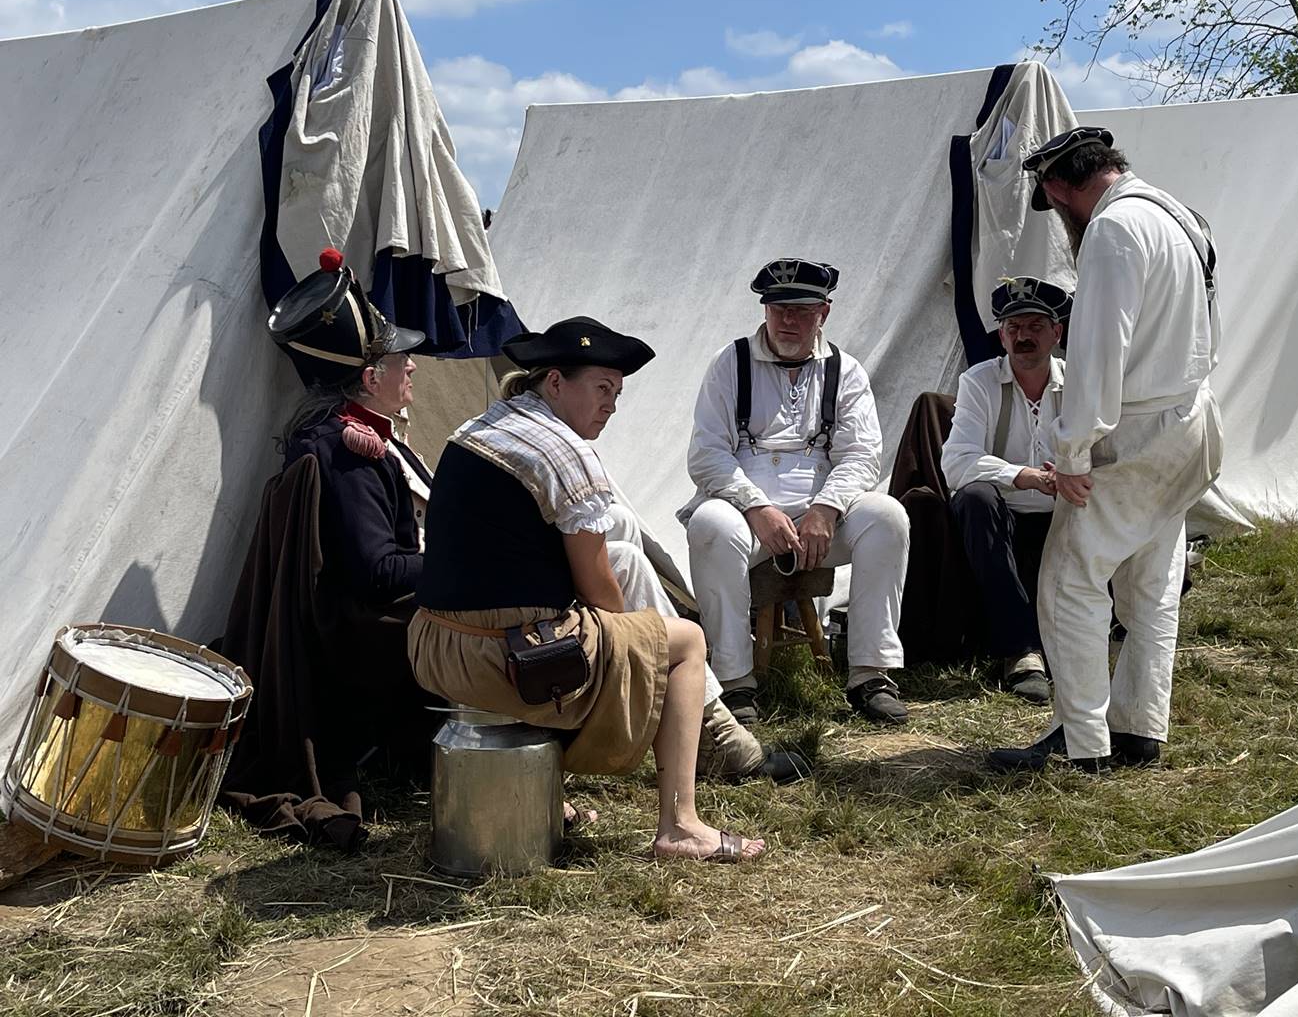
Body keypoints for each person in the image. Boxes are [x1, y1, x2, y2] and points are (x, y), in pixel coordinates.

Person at [408, 316, 769, 862]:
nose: (611, 405)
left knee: (623, 562)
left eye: (617, 393)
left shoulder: (482, 427)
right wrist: (637, 662)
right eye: (603, 389)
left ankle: (565, 791)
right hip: (501, 659)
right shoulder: (565, 452)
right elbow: (601, 595)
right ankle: (682, 824)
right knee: (685, 643)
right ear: (555, 382)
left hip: (435, 645)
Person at [989, 127, 1222, 773]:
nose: (1060, 220)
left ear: (1060, 187)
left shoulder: (1113, 232)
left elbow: (1095, 354)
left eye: (1053, 204)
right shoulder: (1181, 218)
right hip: (1189, 420)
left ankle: (1082, 742)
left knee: (1069, 581)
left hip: (1143, 430)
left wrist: (1071, 453)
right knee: (1149, 584)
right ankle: (1140, 729)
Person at [221, 246, 437, 846]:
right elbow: (377, 572)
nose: (413, 368)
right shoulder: (348, 451)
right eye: (402, 361)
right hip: (363, 632)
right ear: (371, 378)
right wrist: (456, 563)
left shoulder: (353, 435)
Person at [682, 259, 911, 725]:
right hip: (746, 516)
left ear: (823, 312)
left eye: (801, 310)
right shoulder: (731, 363)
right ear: (765, 309)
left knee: (888, 517)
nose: (787, 320)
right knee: (709, 524)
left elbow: (862, 454)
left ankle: (870, 673)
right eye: (778, 308)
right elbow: (706, 454)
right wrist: (756, 508)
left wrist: (826, 508)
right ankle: (733, 682)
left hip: (818, 522)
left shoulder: (844, 370)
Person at [942, 277, 1072, 706]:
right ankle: (1021, 653)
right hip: (1005, 519)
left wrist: (1069, 476)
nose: (1023, 336)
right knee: (975, 499)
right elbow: (956, 460)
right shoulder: (979, 381)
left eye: (1035, 325)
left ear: (1057, 332)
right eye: (1013, 327)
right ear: (1001, 335)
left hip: (1064, 514)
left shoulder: (1078, 383)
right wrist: (1024, 476)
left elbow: (1108, 450)